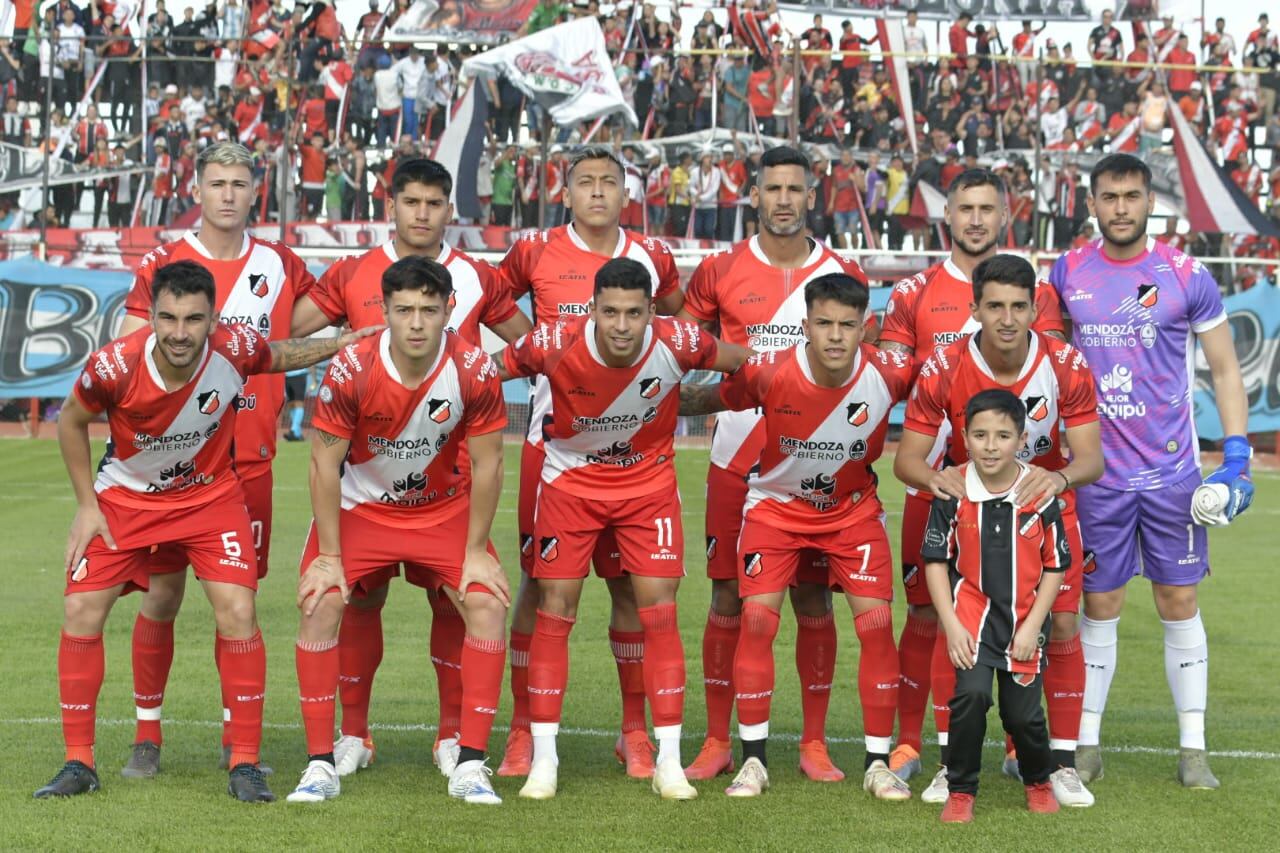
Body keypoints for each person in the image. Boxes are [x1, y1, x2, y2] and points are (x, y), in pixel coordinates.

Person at [34, 260, 376, 801]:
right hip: (126, 498)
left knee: (239, 610)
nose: (178, 332)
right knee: (81, 609)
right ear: (151, 315)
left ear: (212, 318)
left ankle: (245, 761)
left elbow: (279, 354)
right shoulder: (115, 364)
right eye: (167, 317)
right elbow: (70, 421)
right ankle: (79, 762)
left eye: (193, 319)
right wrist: (86, 506)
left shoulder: (234, 347)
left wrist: (343, 342)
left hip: (209, 498)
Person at [291, 157, 531, 780]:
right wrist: (341, 345)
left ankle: (456, 741)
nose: (422, 213)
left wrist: (475, 379)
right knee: (349, 602)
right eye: (411, 202)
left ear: (450, 209)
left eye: (434, 203)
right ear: (390, 205)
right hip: (366, 488)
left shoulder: (477, 279)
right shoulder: (351, 274)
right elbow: (288, 336)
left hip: (446, 492)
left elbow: (526, 347)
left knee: (463, 605)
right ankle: (350, 736)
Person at [494, 257, 750, 801]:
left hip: (647, 488)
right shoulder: (551, 342)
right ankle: (544, 758)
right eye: (609, 311)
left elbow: (745, 364)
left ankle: (669, 761)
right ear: (591, 309)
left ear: (651, 312)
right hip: (570, 486)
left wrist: (747, 393)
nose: (620, 325)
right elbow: (482, 371)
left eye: (634, 313)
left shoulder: (680, 340)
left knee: (658, 611)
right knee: (554, 607)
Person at [114, 142, 318, 778]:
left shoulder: (280, 264)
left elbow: (298, 331)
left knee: (240, 604)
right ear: (196, 190)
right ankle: (147, 734)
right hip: (171, 462)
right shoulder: (164, 260)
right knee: (162, 597)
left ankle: (239, 739)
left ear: (254, 190)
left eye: (238, 183)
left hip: (248, 460)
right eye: (216, 183)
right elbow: (127, 342)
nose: (227, 194)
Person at [1049, 153, 1253, 789]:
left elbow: (1223, 370)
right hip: (1096, 476)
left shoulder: (1185, 274)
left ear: (1148, 203)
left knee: (1179, 600)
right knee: (1099, 603)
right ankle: (1085, 744)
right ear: (1093, 202)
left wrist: (1237, 454)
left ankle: (1193, 749)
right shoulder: (1066, 272)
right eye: (1109, 197)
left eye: (1132, 196)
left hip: (1173, 477)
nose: (1121, 208)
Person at [678, 273, 913, 801]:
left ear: (865, 328)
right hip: (776, 510)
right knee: (756, 618)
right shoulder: (768, 372)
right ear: (804, 326)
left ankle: (878, 764)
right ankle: (754, 760)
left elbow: (956, 394)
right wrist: (629, 398)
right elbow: (711, 396)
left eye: (847, 326)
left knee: (876, 624)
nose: (835, 336)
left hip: (851, 514)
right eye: (824, 324)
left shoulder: (891, 374)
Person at [677, 146, 870, 783]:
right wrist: (736, 368)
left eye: (795, 189)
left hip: (820, 466)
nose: (783, 199)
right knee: (728, 596)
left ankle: (813, 744)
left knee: (814, 598)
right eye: (772, 189)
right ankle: (716, 739)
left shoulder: (842, 272)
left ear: (811, 196)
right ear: (753, 196)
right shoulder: (721, 269)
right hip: (737, 457)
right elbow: (684, 343)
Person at [492, 147, 685, 780]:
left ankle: (634, 732)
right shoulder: (535, 252)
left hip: (635, 459)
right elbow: (494, 304)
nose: (598, 192)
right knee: (539, 586)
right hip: (554, 453)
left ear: (627, 193)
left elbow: (677, 324)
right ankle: (523, 729)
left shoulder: (652, 258)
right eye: (586, 183)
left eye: (609, 183)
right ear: (566, 193)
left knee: (629, 588)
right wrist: (538, 343)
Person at [879, 168, 1065, 784]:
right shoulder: (913, 292)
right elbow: (899, 384)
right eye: (966, 208)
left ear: (1003, 215)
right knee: (926, 613)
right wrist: (938, 475)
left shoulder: (1035, 296)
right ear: (949, 216)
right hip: (941, 487)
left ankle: (1021, 744)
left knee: (1020, 612)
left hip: (1016, 495)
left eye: (988, 208)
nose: (977, 219)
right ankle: (912, 743)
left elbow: (1047, 382)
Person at [897, 254, 1102, 808]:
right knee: (955, 626)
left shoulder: (1064, 362)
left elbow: (1090, 459)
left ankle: (1059, 762)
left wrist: (1055, 479)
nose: (1007, 319)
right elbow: (907, 461)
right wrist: (943, 479)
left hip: (1042, 504)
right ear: (975, 309)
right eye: (994, 306)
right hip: (972, 510)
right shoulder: (944, 365)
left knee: (1061, 622)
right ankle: (949, 763)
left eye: (1018, 306)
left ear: (1036, 308)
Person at [921, 388, 1069, 824]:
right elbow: (934, 563)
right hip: (971, 620)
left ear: (1021, 440)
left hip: (1024, 623)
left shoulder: (1039, 493)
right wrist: (951, 625)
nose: (991, 445)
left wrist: (1032, 628)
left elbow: (1056, 566)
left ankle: (1039, 781)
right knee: (970, 696)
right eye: (980, 435)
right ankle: (961, 788)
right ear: (964, 437)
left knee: (1022, 717)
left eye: (1003, 436)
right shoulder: (952, 491)